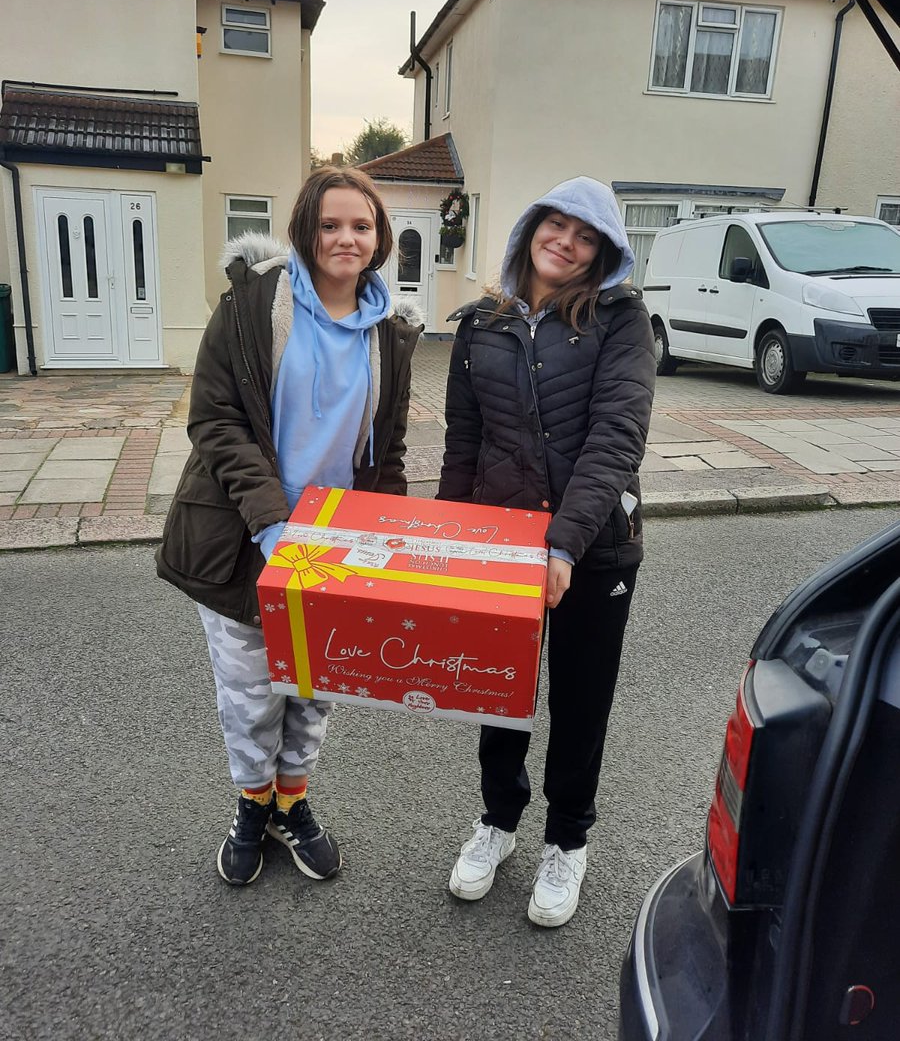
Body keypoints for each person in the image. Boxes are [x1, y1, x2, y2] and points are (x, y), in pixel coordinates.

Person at [156, 166, 423, 887]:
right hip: (248, 537)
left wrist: (383, 538)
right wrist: (271, 522)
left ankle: (292, 801)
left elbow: (388, 450)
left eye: (361, 226)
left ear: (379, 238)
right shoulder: (249, 307)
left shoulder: (393, 335)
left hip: (334, 545)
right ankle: (252, 802)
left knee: (313, 685)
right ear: (305, 229)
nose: (346, 238)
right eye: (330, 224)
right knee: (250, 691)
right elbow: (213, 419)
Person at [438, 176, 655, 927]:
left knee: (581, 697)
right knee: (498, 693)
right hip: (500, 541)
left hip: (596, 548)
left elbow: (617, 437)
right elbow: (463, 444)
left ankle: (568, 839)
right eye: (555, 225)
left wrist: (565, 541)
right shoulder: (481, 327)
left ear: (602, 251)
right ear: (530, 229)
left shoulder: (621, 321)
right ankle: (498, 822)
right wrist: (448, 543)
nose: (564, 241)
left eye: (584, 234)